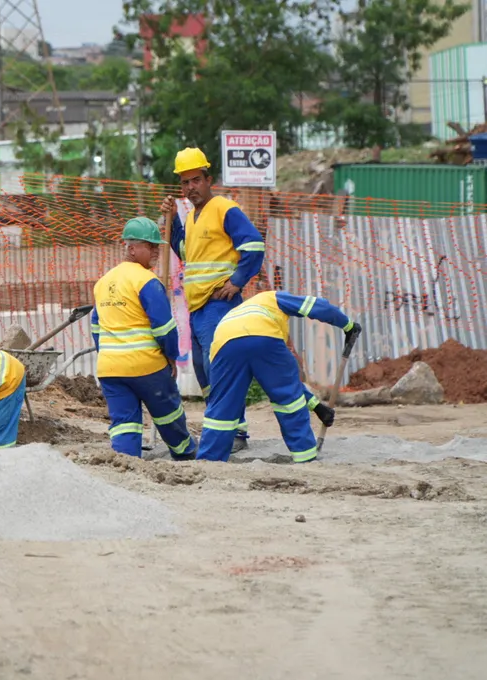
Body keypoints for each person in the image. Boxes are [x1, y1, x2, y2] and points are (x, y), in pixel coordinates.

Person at [160, 147, 265, 452]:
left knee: (220, 369)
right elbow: (184, 251)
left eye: (196, 180)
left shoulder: (224, 209)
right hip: (198, 308)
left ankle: (234, 433)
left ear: (209, 180)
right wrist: (172, 220)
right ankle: (225, 426)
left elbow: (254, 246)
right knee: (204, 371)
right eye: (185, 182)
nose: (190, 187)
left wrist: (237, 281)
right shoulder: (193, 217)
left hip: (219, 304)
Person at [197, 290, 360, 463]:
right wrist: (348, 325)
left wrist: (317, 407)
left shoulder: (236, 314)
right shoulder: (271, 298)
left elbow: (285, 380)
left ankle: (209, 460)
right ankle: (305, 456)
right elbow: (317, 306)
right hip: (263, 335)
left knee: (222, 406)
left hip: (223, 345)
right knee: (289, 403)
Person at [91, 217, 197, 460]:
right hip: (146, 366)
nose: (156, 251)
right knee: (168, 415)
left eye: (157, 246)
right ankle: (186, 455)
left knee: (124, 423)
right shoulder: (146, 281)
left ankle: (127, 462)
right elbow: (164, 328)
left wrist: (108, 356)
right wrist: (171, 357)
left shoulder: (103, 282)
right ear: (131, 248)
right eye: (150, 246)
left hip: (110, 369)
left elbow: (96, 327)